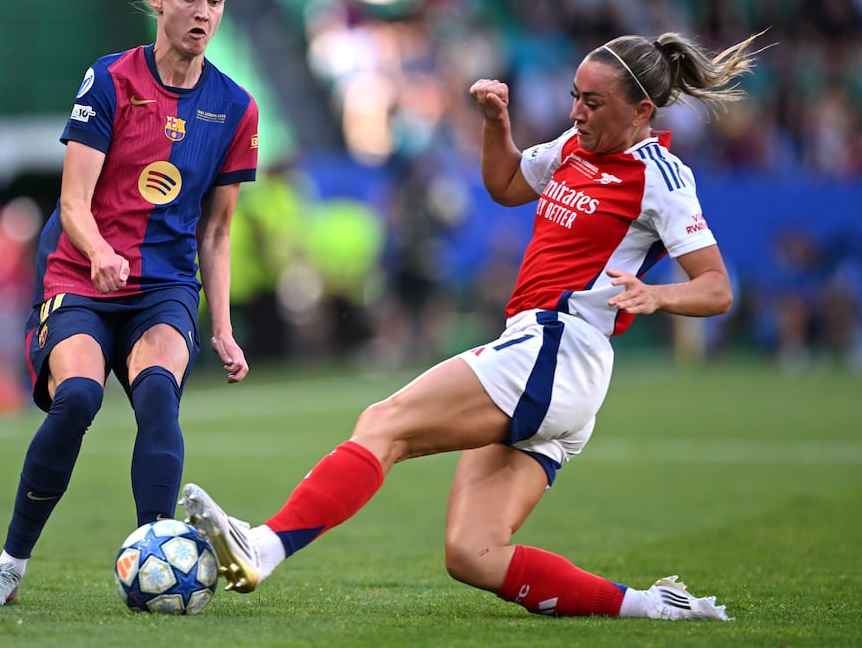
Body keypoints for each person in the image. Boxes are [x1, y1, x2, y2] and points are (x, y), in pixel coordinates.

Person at [181, 30, 766, 621]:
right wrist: (496, 122)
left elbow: (716, 288)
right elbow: (507, 184)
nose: (576, 112)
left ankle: (264, 546)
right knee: (474, 553)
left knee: (386, 424)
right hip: (544, 357)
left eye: (593, 103)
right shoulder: (573, 148)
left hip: (560, 349)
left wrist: (657, 295)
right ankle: (654, 606)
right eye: (575, 96)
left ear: (642, 111)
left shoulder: (662, 177)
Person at [0, 0, 258, 606]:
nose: (204, 13)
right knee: (79, 399)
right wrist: (98, 254)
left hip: (165, 289)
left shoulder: (236, 108)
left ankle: (153, 557)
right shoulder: (109, 81)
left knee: (158, 396)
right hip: (82, 279)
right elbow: (72, 202)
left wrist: (222, 327)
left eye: (215, 1)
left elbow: (217, 234)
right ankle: (9, 565)